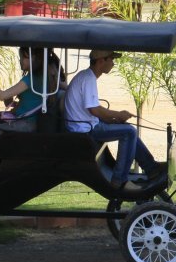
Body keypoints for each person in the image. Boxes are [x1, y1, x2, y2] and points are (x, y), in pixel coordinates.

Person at [64, 49, 164, 191]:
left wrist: (115, 118)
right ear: (101, 61)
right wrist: (118, 114)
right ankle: (120, 180)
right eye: (111, 59)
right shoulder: (88, 79)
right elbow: (95, 110)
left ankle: (151, 168)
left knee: (127, 128)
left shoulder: (87, 76)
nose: (113, 63)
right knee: (129, 132)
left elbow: (94, 110)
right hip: (85, 130)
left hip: (88, 124)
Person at [0, 47, 63, 162]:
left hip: (24, 123)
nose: (20, 61)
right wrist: (10, 99)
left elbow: (2, 95)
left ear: (35, 58)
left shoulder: (32, 79)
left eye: (24, 57)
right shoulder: (44, 75)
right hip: (22, 119)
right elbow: (9, 99)